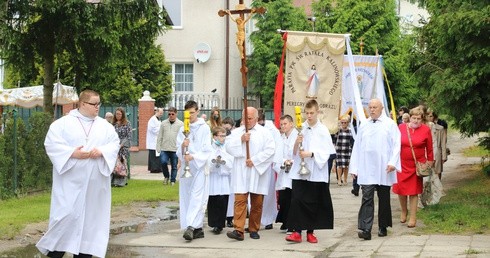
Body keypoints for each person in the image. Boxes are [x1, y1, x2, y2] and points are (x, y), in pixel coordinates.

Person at [36, 90, 120, 258]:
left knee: (90, 223)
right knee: (66, 217)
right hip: (70, 183)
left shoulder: (104, 126)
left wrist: (102, 151)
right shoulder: (63, 124)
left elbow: (114, 144)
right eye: (94, 104)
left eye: (99, 104)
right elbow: (51, 144)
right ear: (82, 104)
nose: (98, 107)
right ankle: (55, 252)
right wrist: (72, 153)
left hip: (94, 187)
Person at [349, 98, 401, 240]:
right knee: (367, 197)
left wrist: (392, 162)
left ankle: (383, 226)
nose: (372, 110)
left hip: (384, 167)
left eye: (375, 107)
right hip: (367, 167)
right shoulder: (364, 125)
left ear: (381, 108)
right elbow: (357, 147)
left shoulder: (390, 125)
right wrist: (354, 168)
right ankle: (366, 229)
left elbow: (397, 144)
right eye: (370, 107)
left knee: (384, 198)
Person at [285, 99, 336, 244]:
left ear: (317, 112)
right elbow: (291, 152)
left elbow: (327, 152)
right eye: (306, 113)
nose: (309, 116)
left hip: (316, 172)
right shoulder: (299, 128)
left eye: (312, 113)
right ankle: (296, 231)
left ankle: (310, 232)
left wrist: (312, 154)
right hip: (300, 172)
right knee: (297, 200)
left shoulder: (323, 130)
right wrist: (296, 142)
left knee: (313, 202)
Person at [226, 107, 275, 241]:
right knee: (240, 200)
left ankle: (254, 228)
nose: (247, 121)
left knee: (257, 202)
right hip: (241, 171)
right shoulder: (236, 132)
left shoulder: (264, 133)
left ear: (256, 118)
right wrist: (241, 140)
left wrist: (254, 160)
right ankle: (239, 230)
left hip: (257, 171)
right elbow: (228, 147)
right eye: (245, 118)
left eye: (250, 118)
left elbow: (270, 150)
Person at [176, 100, 213, 241]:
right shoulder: (182, 128)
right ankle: (196, 229)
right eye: (187, 113)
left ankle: (191, 227)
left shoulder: (204, 128)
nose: (190, 116)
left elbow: (207, 149)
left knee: (197, 197)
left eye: (192, 113)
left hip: (199, 167)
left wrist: (194, 157)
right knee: (186, 196)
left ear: (197, 111)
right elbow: (177, 150)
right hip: (187, 168)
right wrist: (182, 146)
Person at [393, 107, 433, 228]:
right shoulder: (401, 128)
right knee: (401, 190)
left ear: (422, 119)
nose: (415, 121)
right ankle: (404, 210)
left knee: (414, 191)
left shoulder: (426, 130)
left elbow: (429, 148)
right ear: (409, 118)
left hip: (417, 165)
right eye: (413, 118)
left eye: (418, 118)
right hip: (402, 164)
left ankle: (413, 217)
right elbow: (394, 145)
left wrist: (430, 162)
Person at [255, 110, 282, 230]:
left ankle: (268, 219)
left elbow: (277, 147)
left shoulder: (273, 131)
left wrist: (276, 164)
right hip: (255, 164)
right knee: (255, 192)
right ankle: (255, 220)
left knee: (268, 193)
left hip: (268, 165)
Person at [207, 126, 234, 234]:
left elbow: (231, 161)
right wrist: (214, 162)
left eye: (224, 136)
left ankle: (220, 224)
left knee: (222, 200)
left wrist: (224, 161)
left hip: (224, 177)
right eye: (220, 136)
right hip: (214, 177)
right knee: (213, 199)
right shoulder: (210, 147)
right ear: (214, 136)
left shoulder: (227, 147)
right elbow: (208, 160)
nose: (223, 138)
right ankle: (213, 223)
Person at [275, 114, 297, 233]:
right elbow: (277, 155)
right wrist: (284, 161)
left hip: (294, 171)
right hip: (284, 170)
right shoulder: (281, 138)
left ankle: (292, 223)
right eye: (281, 124)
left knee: (292, 198)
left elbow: (298, 153)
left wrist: (291, 161)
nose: (283, 126)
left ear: (291, 124)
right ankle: (285, 221)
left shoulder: (297, 136)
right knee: (284, 198)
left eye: (285, 124)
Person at [156, 107, 183, 185]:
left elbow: (182, 137)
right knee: (163, 162)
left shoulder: (180, 124)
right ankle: (166, 176)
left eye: (172, 114)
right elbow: (160, 136)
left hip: (175, 149)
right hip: (164, 148)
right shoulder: (163, 123)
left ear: (176, 114)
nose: (171, 115)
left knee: (174, 166)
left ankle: (173, 180)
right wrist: (158, 147)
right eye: (169, 114)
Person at [112, 107, 132, 187]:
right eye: (117, 114)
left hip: (123, 147)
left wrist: (122, 144)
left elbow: (129, 136)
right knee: (115, 164)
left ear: (122, 114)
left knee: (122, 164)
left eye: (119, 114)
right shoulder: (113, 124)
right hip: (114, 146)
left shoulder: (127, 123)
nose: (118, 115)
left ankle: (121, 182)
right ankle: (113, 181)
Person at [334, 115, 354, 186]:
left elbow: (352, 141)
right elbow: (334, 139)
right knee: (339, 166)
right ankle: (339, 179)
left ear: (348, 123)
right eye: (342, 122)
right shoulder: (338, 130)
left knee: (346, 166)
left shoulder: (350, 131)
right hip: (339, 150)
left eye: (345, 122)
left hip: (347, 150)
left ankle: (345, 179)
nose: (343, 124)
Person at [427, 110, 447, 180]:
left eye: (431, 116)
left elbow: (443, 143)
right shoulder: (423, 128)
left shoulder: (440, 128)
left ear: (434, 117)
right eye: (427, 116)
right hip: (426, 153)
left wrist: (444, 156)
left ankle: (438, 188)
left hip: (437, 152)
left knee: (437, 172)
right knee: (427, 173)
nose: (429, 118)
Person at [147, 108, 163, 173]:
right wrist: (160, 129)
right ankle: (154, 168)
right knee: (153, 156)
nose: (161, 114)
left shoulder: (158, 120)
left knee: (158, 155)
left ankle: (158, 168)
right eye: (160, 113)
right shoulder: (152, 119)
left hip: (157, 140)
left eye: (162, 113)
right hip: (153, 141)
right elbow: (152, 129)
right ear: (157, 112)